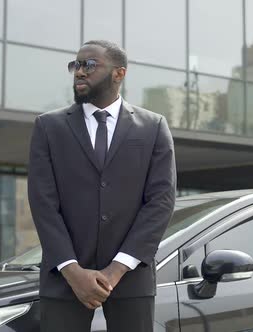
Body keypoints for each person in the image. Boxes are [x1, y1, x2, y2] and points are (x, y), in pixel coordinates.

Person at [27, 40, 177, 332]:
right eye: (77, 65)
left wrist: (116, 269)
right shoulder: (49, 127)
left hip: (131, 278)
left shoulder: (153, 127)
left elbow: (161, 202)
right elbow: (43, 203)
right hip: (64, 279)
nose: (80, 72)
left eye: (90, 65)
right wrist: (72, 271)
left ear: (119, 74)